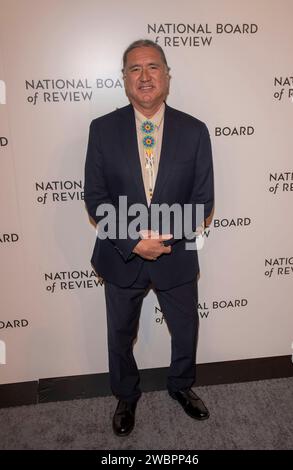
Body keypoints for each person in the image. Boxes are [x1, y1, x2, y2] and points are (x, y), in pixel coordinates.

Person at [84, 39, 214, 436]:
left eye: (153, 67)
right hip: (121, 255)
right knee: (120, 333)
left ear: (167, 76)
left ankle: (181, 386)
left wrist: (165, 239)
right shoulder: (102, 130)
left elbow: (203, 198)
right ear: (124, 79)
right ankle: (126, 395)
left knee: (186, 329)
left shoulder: (195, 131)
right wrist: (133, 242)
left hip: (175, 255)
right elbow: (96, 197)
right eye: (135, 69)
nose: (144, 77)